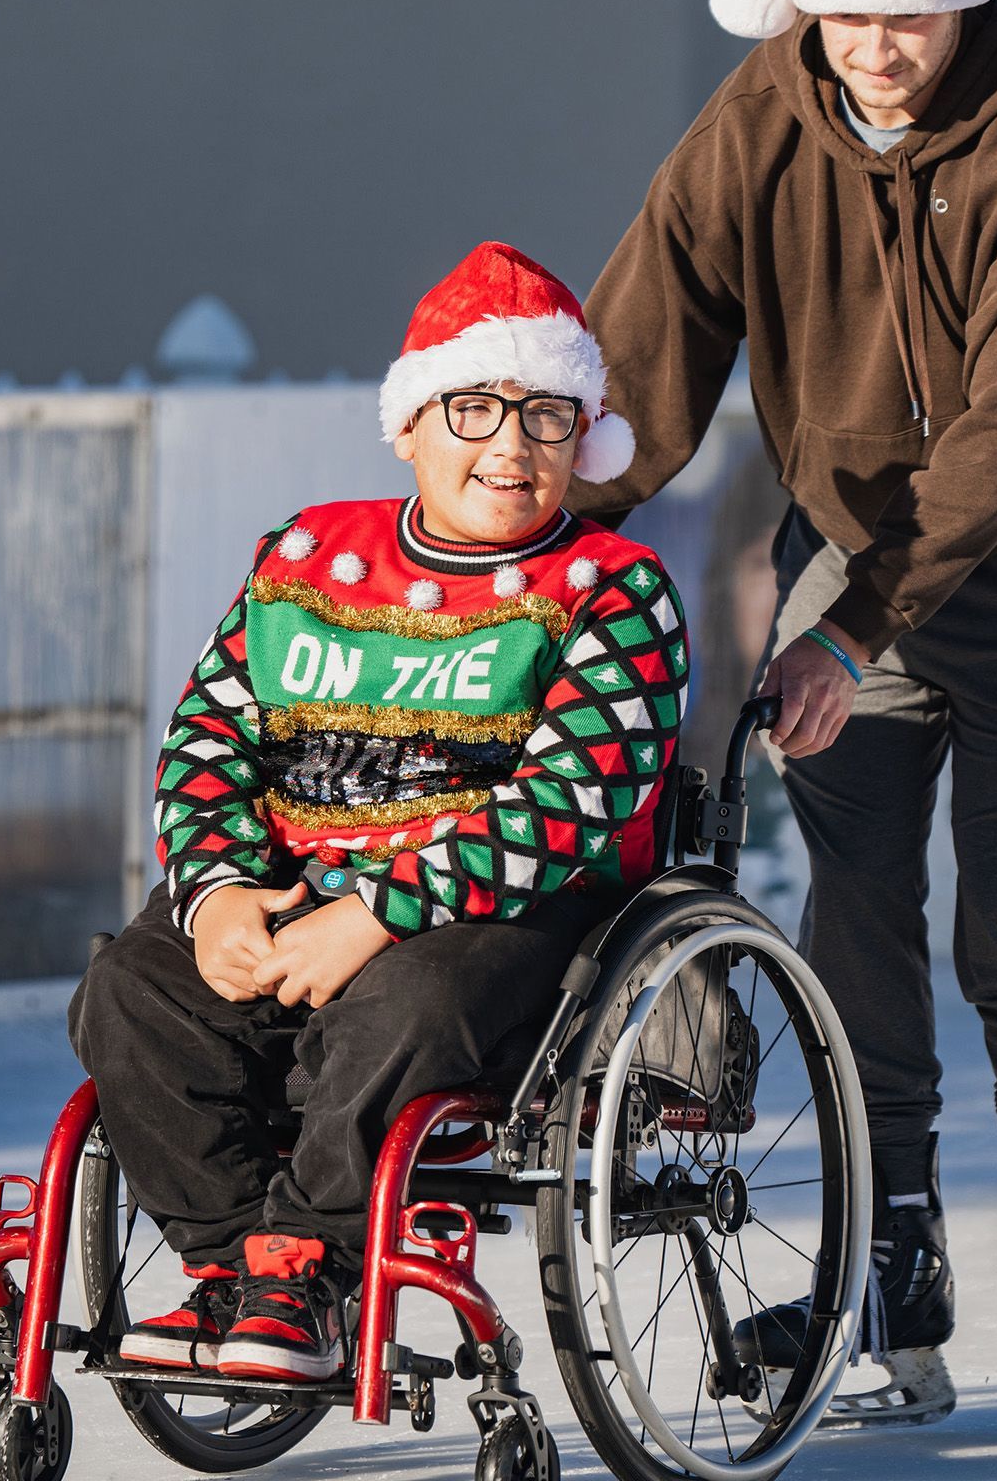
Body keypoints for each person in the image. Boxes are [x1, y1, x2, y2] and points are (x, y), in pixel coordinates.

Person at [567, 0, 997, 1445]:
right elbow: (649, 334)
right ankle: (889, 1248)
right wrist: (545, 529)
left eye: (912, 12)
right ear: (807, 0)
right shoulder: (756, 121)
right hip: (848, 552)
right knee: (857, 914)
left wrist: (842, 626)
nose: (879, 48)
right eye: (853, 12)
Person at [68, 241, 688, 1382]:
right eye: (472, 409)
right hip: (293, 878)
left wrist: (374, 914)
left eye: (547, 417)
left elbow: (573, 801)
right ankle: (233, 1265)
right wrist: (216, 897)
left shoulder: (613, 589)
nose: (510, 445)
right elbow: (211, 739)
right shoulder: (304, 555)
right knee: (130, 989)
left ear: (582, 438)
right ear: (408, 424)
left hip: (499, 906)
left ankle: (305, 1267)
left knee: (415, 998)